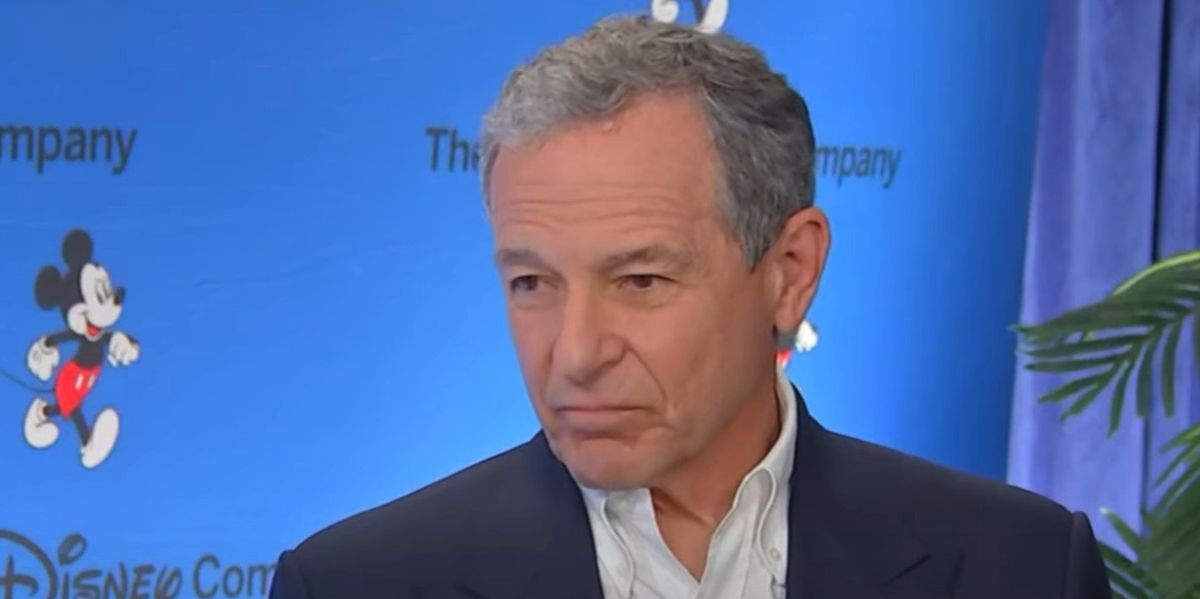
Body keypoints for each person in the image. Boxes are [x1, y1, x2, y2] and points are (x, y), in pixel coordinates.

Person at [269, 16, 1111, 599]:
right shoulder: (355, 583)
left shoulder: (1022, 567)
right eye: (532, 283)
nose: (575, 354)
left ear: (789, 270)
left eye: (640, 280)